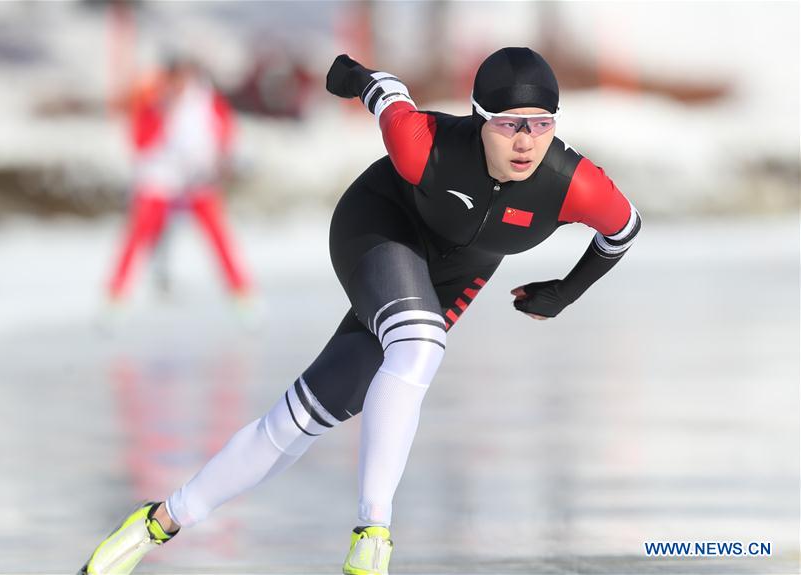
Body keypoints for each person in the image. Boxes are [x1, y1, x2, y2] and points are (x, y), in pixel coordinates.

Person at [79, 47, 641, 575]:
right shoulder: (428, 144)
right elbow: (387, 92)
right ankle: (373, 532)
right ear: (478, 117)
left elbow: (624, 230)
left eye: (541, 123)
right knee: (420, 345)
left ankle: (158, 522)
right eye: (508, 123)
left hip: (454, 275)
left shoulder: (573, 183)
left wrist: (566, 290)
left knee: (307, 416)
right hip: (378, 228)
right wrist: (349, 74)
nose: (526, 141)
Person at [106, 56, 254, 309]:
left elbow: (224, 134)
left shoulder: (207, 101)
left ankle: (242, 295)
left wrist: (220, 160)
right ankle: (115, 297)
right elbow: (140, 142)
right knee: (138, 236)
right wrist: (162, 114)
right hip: (160, 180)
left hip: (197, 181)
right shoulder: (154, 101)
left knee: (218, 236)